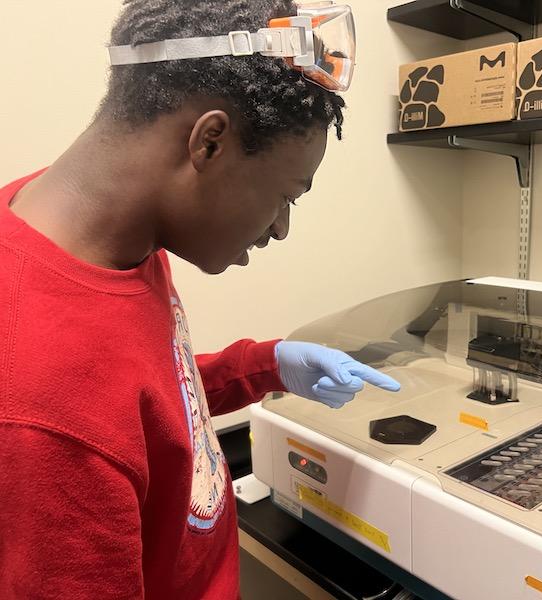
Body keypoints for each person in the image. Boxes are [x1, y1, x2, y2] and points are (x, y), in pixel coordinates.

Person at [0, 1, 399, 598]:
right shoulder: (43, 411)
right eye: (287, 194)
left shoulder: (110, 233)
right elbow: (92, 408)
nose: (280, 228)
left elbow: (145, 405)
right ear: (209, 142)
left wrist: (264, 366)